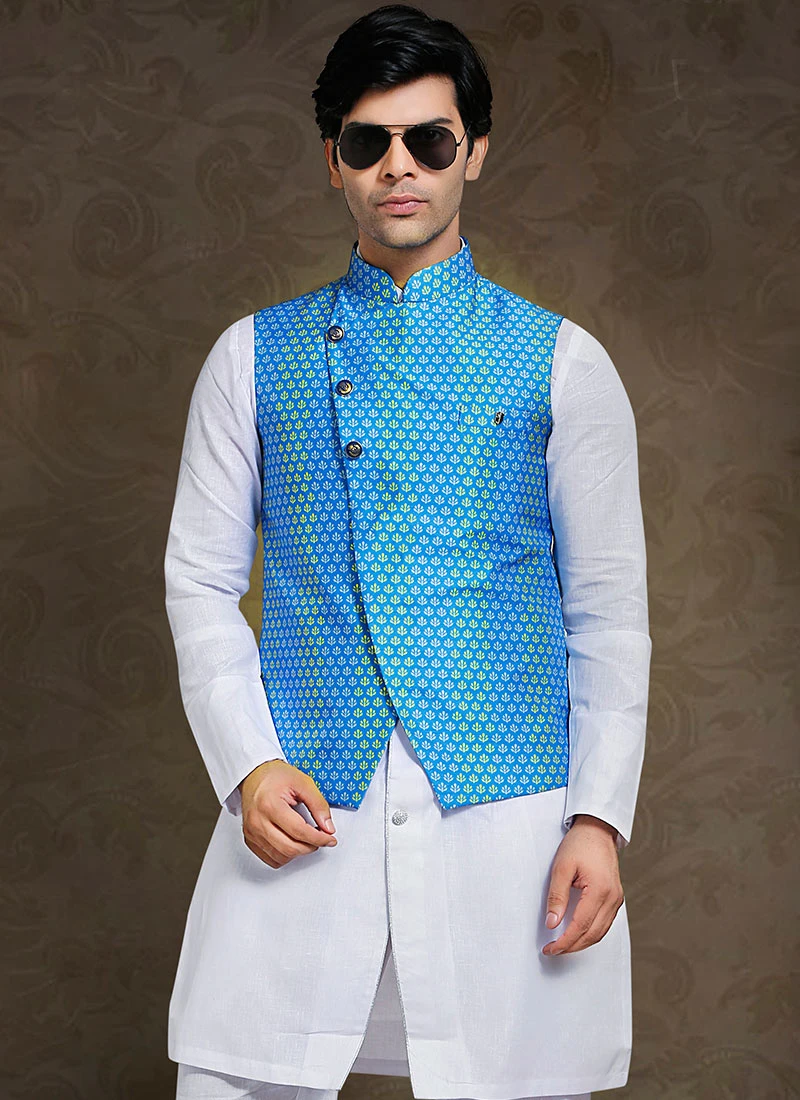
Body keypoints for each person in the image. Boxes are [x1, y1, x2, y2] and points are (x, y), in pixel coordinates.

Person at [163, 6, 652, 1100]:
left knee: (513, 1076)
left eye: (429, 140)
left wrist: (598, 818)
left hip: (505, 819)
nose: (399, 168)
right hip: (304, 800)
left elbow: (608, 610)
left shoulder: (563, 362)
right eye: (367, 141)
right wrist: (246, 762)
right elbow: (197, 581)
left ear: (473, 153)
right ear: (331, 159)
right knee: (241, 1070)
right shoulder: (249, 357)